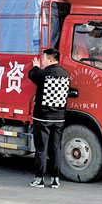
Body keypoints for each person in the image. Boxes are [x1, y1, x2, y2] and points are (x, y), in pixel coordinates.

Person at [27, 47, 70, 189]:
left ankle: (39, 179)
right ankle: (55, 179)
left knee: (41, 149)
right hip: (59, 118)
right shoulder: (65, 74)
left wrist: (35, 66)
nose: (42, 61)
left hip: (42, 118)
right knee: (56, 149)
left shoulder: (44, 74)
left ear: (51, 59)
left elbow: (32, 74)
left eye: (44, 58)